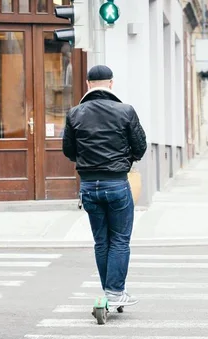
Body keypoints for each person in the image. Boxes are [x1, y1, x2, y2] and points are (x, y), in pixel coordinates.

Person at [62, 65, 147, 306]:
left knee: (102, 241)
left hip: (89, 186)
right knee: (119, 240)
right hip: (117, 183)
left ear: (88, 84)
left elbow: (68, 150)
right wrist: (127, 159)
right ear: (111, 83)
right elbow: (140, 146)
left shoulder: (74, 114)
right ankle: (114, 292)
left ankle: (110, 291)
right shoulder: (126, 111)